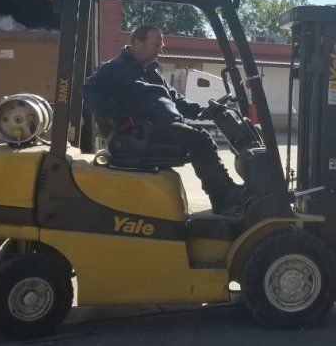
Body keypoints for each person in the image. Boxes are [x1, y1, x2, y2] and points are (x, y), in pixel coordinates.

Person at [83, 25, 246, 214]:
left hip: (164, 128)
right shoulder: (114, 69)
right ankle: (222, 197)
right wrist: (117, 116)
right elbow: (89, 90)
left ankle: (226, 189)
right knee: (198, 139)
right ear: (137, 43)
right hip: (141, 133)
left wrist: (205, 111)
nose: (161, 49)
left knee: (200, 136)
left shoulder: (152, 71)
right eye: (156, 44)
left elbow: (176, 99)